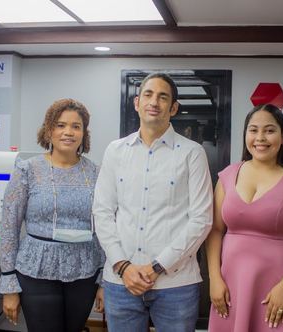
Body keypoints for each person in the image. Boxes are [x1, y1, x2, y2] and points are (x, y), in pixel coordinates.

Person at [93, 72, 213, 332]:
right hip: (120, 281)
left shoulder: (192, 154)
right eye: (148, 94)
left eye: (162, 97)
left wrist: (157, 266)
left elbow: (201, 219)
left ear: (173, 108)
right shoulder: (115, 151)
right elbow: (102, 213)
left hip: (176, 285)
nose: (154, 102)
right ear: (137, 103)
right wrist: (123, 267)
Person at [206, 103, 283, 331]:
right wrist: (214, 278)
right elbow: (215, 230)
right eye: (253, 130)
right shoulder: (227, 175)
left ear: (282, 137)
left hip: (282, 284)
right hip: (232, 285)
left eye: (269, 130)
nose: (260, 137)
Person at [0, 99, 105, 332]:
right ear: (49, 130)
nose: (68, 132)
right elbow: (9, 228)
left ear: (84, 133)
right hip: (36, 271)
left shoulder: (96, 173)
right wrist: (8, 284)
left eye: (76, 126)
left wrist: (104, 279)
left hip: (84, 271)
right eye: (60, 125)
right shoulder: (28, 170)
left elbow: (107, 226)